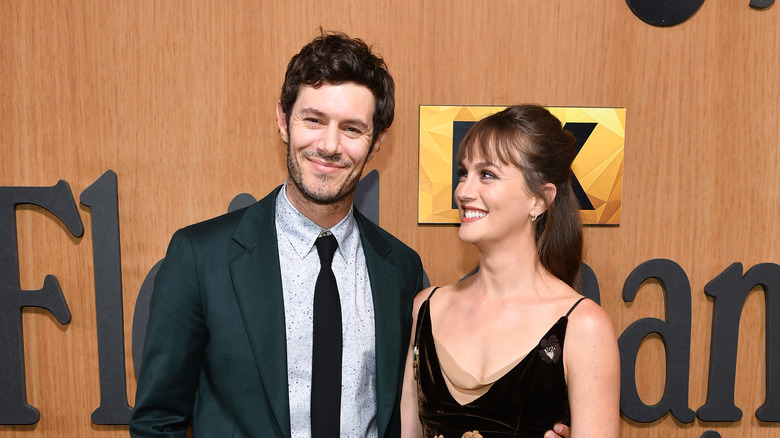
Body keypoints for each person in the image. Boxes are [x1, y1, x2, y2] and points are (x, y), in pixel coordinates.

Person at [130, 31, 425, 437]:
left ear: (377, 143)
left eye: (353, 129)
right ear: (283, 121)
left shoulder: (401, 268)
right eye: (314, 119)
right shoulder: (201, 257)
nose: (329, 144)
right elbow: (157, 422)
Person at [400, 105, 620, 438]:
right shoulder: (427, 308)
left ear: (539, 200)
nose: (463, 191)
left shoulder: (583, 327)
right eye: (464, 172)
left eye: (486, 174)